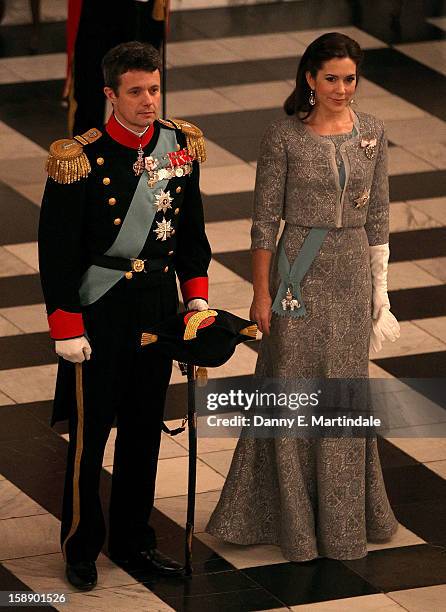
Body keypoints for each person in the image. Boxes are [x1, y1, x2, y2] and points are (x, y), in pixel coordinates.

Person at [206, 32, 400, 562]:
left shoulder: (374, 132)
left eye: (350, 78)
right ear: (310, 79)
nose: (342, 88)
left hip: (352, 274)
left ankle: (343, 524)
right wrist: (261, 293)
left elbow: (379, 216)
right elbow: (265, 221)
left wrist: (381, 293)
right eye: (332, 78)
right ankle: (290, 523)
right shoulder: (283, 136)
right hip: (299, 275)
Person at [38, 41, 211, 590]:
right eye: (135, 92)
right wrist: (66, 325)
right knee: (92, 438)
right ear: (110, 95)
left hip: (158, 307)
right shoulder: (80, 158)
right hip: (102, 309)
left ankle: (134, 541)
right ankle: (81, 544)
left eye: (155, 89)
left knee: (145, 432)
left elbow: (190, 232)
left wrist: (197, 297)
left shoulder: (179, 147)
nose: (148, 101)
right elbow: (57, 249)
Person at [64, 0, 167, 135]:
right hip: (98, 11)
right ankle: (87, 151)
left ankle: (140, 148)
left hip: (143, 9)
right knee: (89, 89)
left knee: (143, 82)